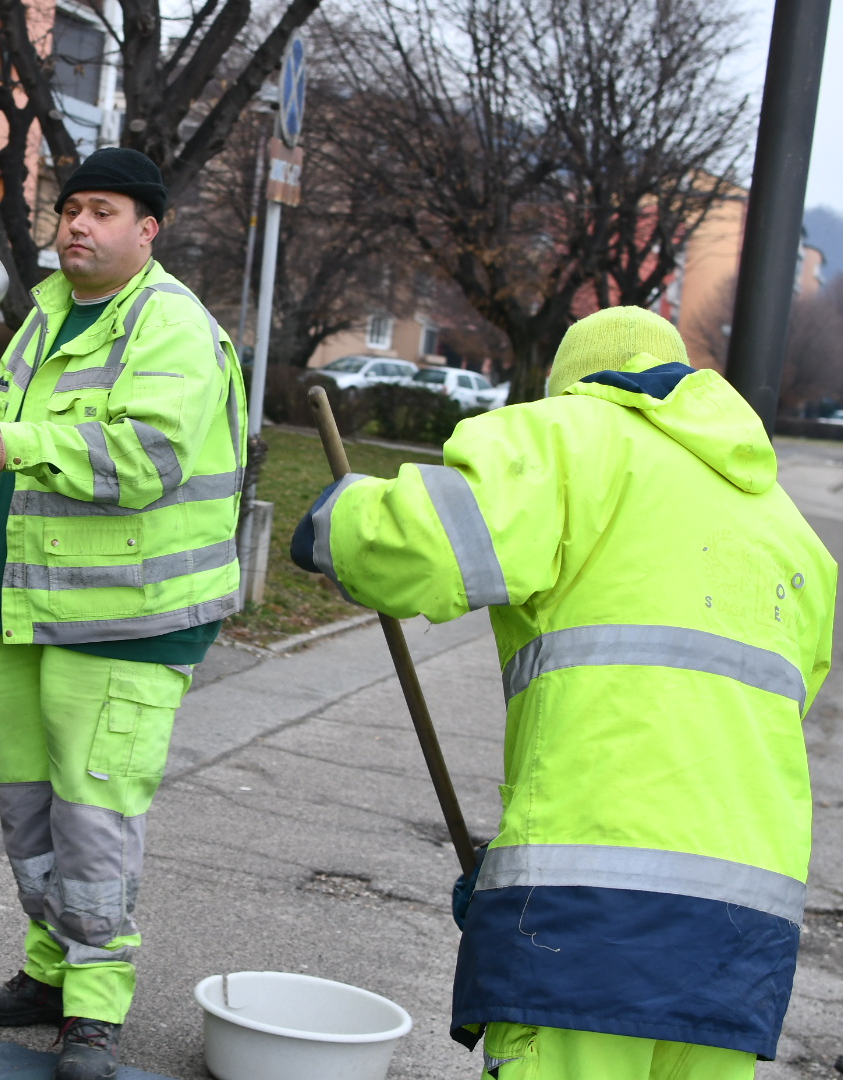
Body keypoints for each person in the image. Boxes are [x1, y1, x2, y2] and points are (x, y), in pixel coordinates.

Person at [291, 306, 835, 1079]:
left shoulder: (570, 438)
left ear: (571, 383)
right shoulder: (790, 531)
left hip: (589, 920)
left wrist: (335, 519)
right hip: (744, 936)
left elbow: (426, 547)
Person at [0, 147, 247, 1079]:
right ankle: (47, 975)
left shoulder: (172, 325)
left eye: (102, 211)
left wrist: (12, 442)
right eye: (68, 209)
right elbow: (29, 449)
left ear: (149, 230)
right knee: (30, 809)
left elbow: (140, 457)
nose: (76, 225)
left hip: (132, 622)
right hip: (32, 607)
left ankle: (97, 1010)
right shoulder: (48, 319)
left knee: (95, 816)